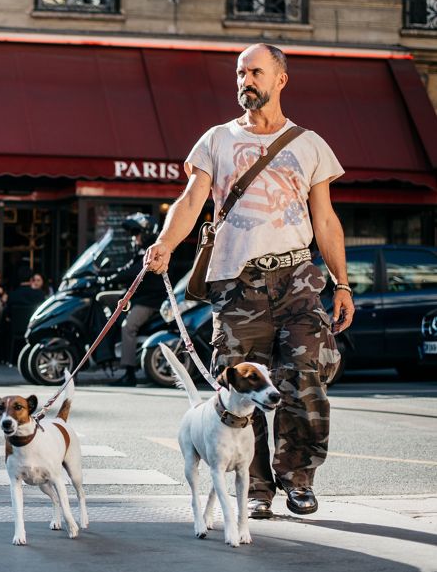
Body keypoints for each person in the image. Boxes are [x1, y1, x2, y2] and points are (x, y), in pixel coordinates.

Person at [144, 43, 352, 520]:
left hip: (298, 278)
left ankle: (298, 480)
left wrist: (341, 283)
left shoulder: (310, 144)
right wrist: (165, 244)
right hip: (237, 285)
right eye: (240, 73)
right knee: (240, 391)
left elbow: (326, 218)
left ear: (281, 79)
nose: (245, 81)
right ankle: (255, 487)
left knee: (306, 380)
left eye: (255, 72)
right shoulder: (216, 139)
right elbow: (192, 200)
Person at [102, 213, 166, 387]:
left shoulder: (152, 251)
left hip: (151, 301)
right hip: (140, 298)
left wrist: (112, 278)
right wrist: (105, 275)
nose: (134, 237)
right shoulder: (140, 250)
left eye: (136, 232)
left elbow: (135, 271)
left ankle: (129, 374)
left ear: (146, 232)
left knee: (128, 326)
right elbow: (128, 268)